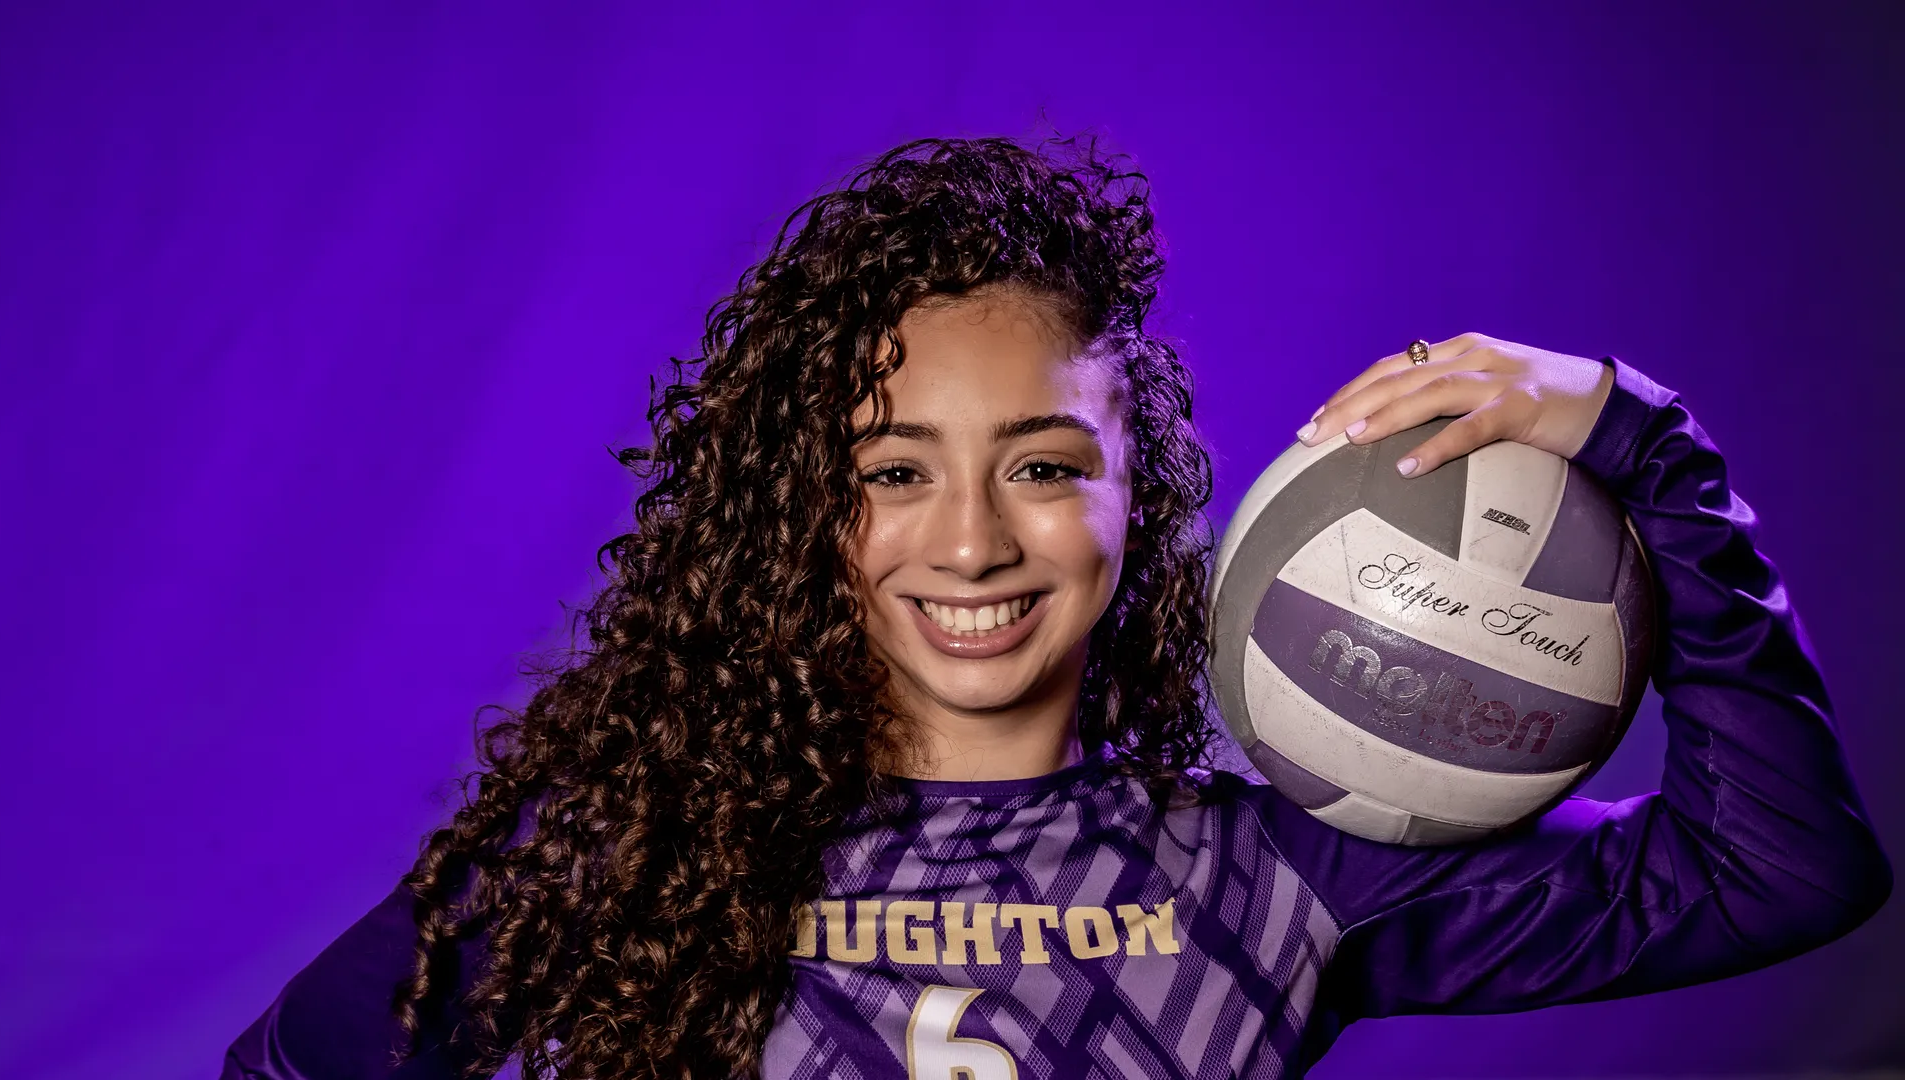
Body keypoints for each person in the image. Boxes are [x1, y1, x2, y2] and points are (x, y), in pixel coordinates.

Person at [221, 136, 1892, 1080]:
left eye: (1037, 465)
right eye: (890, 472)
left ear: (1137, 496)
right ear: (803, 508)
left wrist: (1646, 448)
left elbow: (1781, 873)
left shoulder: (1281, 868)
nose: (969, 542)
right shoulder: (645, 853)